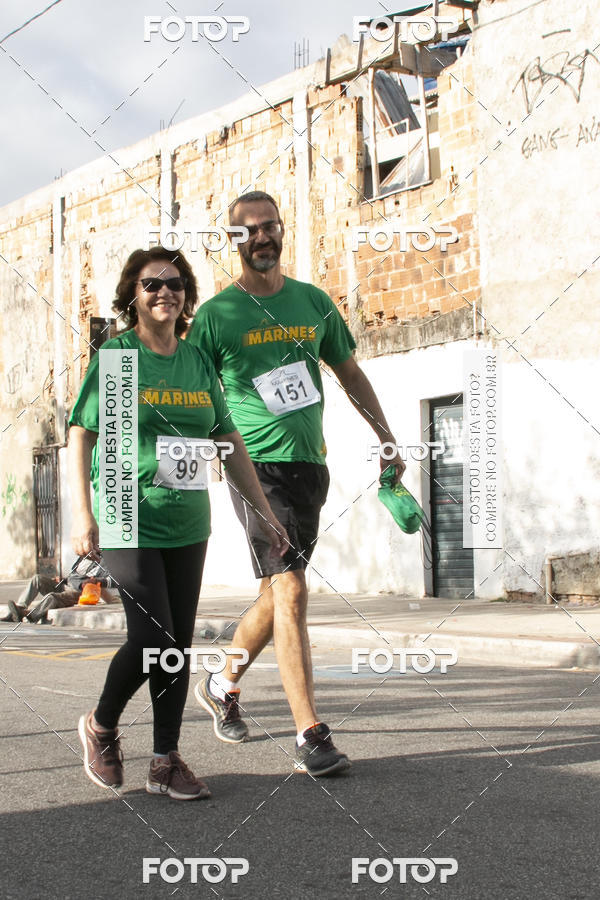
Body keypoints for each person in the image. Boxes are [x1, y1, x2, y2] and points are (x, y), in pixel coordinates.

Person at [186, 191, 405, 777]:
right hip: (253, 467)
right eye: (249, 230)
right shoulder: (216, 316)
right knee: (290, 589)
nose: (261, 237)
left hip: (310, 465)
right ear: (233, 241)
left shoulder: (312, 302)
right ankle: (311, 734)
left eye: (270, 226)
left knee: (276, 591)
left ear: (282, 231)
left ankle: (222, 681)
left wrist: (386, 437)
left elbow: (348, 371)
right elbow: (191, 390)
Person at [69, 246, 289, 800]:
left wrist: (264, 512)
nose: (164, 292)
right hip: (127, 509)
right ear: (133, 296)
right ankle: (101, 725)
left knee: (176, 646)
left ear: (186, 295)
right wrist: (82, 512)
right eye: (152, 284)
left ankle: (165, 760)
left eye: (175, 283)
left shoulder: (196, 361)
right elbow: (83, 433)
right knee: (153, 637)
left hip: (188, 519)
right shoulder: (119, 357)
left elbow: (227, 438)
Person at [2, 556, 115, 624]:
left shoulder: (105, 562)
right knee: (37, 579)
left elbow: (112, 580)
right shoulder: (84, 557)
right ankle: (19, 608)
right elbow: (74, 576)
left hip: (81, 592)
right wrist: (63, 580)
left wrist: (96, 581)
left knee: (52, 597)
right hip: (66, 585)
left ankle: (29, 615)